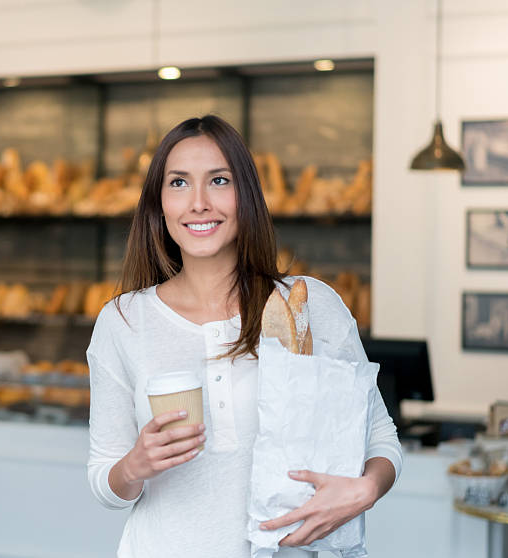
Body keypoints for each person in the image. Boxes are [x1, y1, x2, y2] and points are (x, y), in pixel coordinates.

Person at [86, 115, 402, 557]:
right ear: (159, 205)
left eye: (218, 180)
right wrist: (135, 465)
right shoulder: (123, 321)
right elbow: (105, 482)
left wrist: (367, 488)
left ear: (246, 196)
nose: (198, 203)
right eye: (178, 183)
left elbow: (380, 437)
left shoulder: (310, 306)